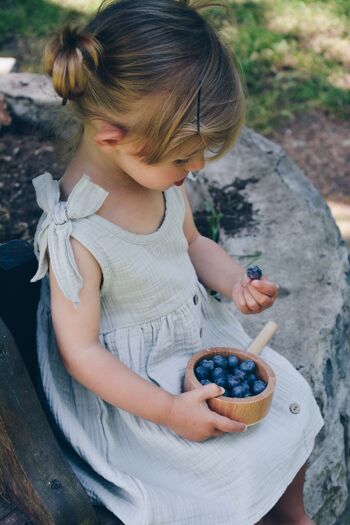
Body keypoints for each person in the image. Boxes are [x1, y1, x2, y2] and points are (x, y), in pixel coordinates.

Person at [30, 1, 324, 524]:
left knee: (290, 405)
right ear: (111, 139)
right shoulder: (76, 236)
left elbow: (190, 244)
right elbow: (80, 353)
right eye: (184, 157)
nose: (195, 169)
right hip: (135, 390)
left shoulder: (160, 182)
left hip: (191, 341)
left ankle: (293, 517)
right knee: (231, 466)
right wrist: (169, 412)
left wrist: (234, 281)